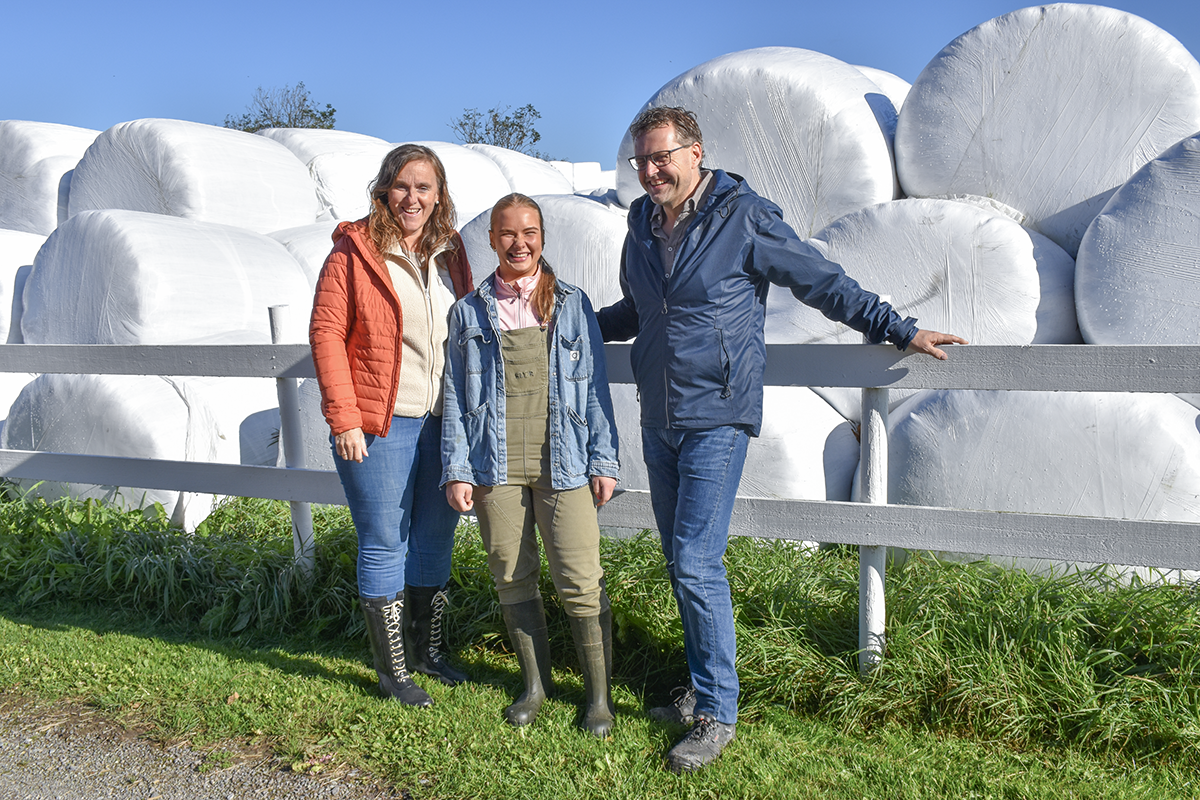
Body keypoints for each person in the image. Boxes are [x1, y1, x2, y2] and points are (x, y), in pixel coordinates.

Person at [597, 107, 967, 772]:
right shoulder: (640, 224)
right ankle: (699, 691)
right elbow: (638, 310)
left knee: (695, 561)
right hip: (660, 414)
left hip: (718, 411)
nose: (651, 171)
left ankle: (717, 713)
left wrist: (897, 326)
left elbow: (817, 279)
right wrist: (574, 327)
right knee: (682, 562)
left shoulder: (744, 216)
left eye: (662, 157)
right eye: (641, 161)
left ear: (695, 152)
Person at [441, 193, 621, 737]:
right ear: (492, 240)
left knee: (579, 577)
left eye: (530, 233)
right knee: (511, 574)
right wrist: (457, 467)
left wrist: (603, 459)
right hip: (494, 461)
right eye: (507, 234)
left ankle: (598, 699)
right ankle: (534, 687)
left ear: (541, 238)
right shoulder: (469, 312)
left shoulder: (571, 303)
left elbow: (595, 389)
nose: (519, 243)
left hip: (563, 460)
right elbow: (453, 393)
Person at [310, 144, 475, 708]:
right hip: (379, 422)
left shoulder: (450, 255)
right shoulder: (354, 252)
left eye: (424, 188)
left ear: (439, 195)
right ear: (384, 190)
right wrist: (344, 417)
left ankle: (427, 652)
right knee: (384, 540)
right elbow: (327, 334)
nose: (413, 198)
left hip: (439, 421)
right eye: (403, 186)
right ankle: (392, 671)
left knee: (434, 537)